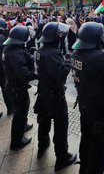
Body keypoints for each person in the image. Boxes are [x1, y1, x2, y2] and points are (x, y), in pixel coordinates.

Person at [34, 22, 76, 171]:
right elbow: (60, 75)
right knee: (60, 127)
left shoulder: (41, 50)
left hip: (43, 93)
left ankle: (42, 145)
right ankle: (62, 158)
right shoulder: (52, 53)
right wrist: (68, 61)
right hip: (54, 96)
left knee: (43, 122)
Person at [71, 22, 104, 174]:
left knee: (86, 138)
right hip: (98, 109)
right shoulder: (98, 57)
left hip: (84, 103)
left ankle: (84, 168)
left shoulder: (76, 53)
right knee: (99, 147)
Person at [2, 25, 36, 150]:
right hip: (17, 88)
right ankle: (17, 141)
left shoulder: (9, 49)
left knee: (23, 109)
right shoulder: (17, 53)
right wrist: (35, 75)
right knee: (19, 113)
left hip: (11, 85)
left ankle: (23, 126)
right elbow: (24, 74)